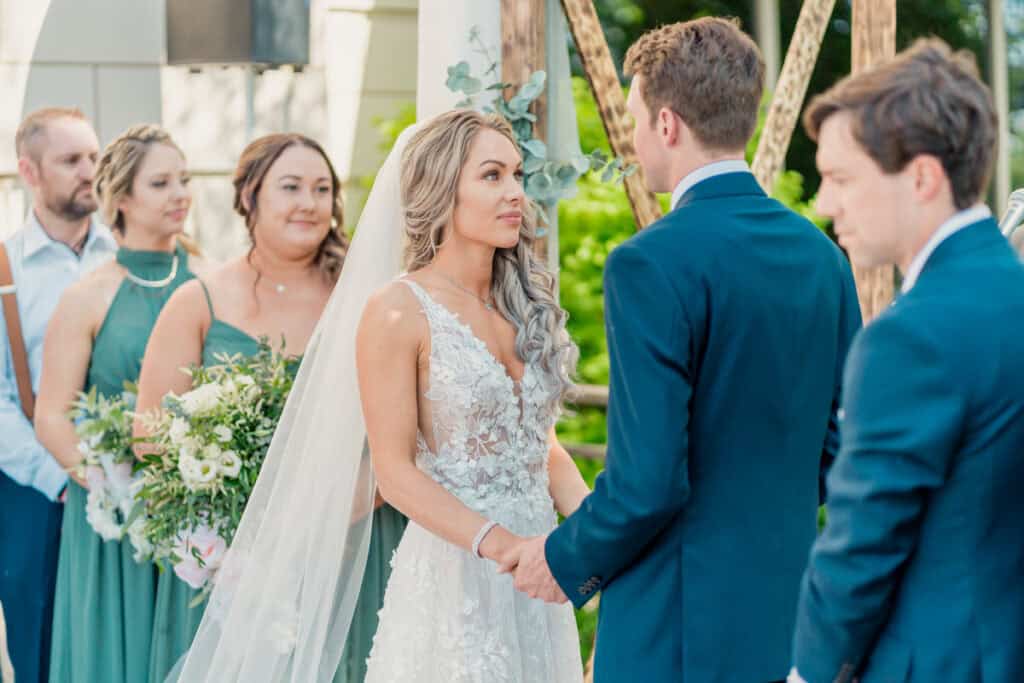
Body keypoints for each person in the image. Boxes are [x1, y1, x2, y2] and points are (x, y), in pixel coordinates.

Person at [168, 110, 589, 682]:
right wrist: (501, 546)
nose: (514, 192)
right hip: (459, 575)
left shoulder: (523, 304)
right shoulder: (397, 309)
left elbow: (542, 447)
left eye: (517, 175)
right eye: (491, 176)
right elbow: (395, 474)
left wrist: (594, 534)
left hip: (540, 574)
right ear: (443, 190)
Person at [511, 17, 862, 683]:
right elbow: (842, 447)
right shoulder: (824, 258)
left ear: (667, 124)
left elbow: (647, 482)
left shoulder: (649, 263)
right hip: (790, 618)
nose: (634, 137)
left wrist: (561, 558)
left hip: (674, 629)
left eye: (635, 117)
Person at [789, 39, 1024, 683]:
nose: (826, 204)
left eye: (841, 178)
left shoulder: (912, 337)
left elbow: (861, 546)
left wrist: (808, 671)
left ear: (921, 177)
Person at [136, 133, 402, 683]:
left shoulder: (373, 298)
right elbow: (148, 430)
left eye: (322, 189)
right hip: (234, 554)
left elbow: (404, 428)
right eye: (291, 187)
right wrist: (224, 511)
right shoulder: (197, 300)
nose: (309, 202)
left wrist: (314, 517)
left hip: (352, 539)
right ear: (249, 197)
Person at [35, 124, 199, 683]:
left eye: (184, 179)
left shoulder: (211, 285)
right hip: (119, 517)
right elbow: (51, 412)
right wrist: (106, 483)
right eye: (161, 183)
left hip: (202, 517)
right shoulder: (88, 296)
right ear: (122, 199)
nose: (180, 194)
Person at [0, 107, 116, 683]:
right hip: (34, 490)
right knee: (40, 647)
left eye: (94, 157)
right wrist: (62, 474)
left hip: (130, 479)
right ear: (29, 171)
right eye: (71, 160)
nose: (89, 171)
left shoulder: (126, 258)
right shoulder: (5, 268)